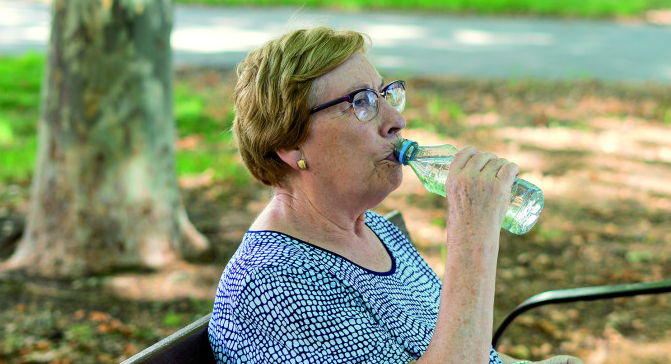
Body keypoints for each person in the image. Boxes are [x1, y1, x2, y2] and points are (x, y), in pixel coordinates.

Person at [207, 26, 582, 364]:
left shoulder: (375, 231)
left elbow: (457, 347)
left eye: (385, 94)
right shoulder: (275, 286)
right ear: (289, 144)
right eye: (361, 102)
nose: (396, 120)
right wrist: (473, 238)